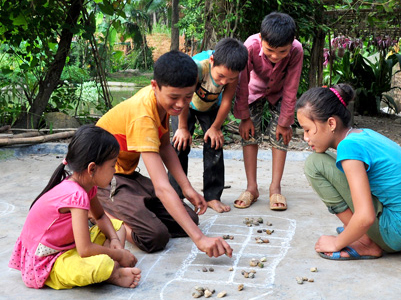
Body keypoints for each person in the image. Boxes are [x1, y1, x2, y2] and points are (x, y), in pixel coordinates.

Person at [96, 51, 233, 257]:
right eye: (174, 97)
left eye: (188, 97)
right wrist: (200, 239)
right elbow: (162, 188)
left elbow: (165, 147)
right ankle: (98, 214)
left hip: (126, 174)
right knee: (153, 237)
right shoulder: (143, 115)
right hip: (103, 179)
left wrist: (187, 189)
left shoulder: (161, 104)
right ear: (154, 86)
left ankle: (129, 204)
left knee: (187, 220)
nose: (180, 104)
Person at [296, 83, 401, 260]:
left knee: (315, 164)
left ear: (331, 123)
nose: (305, 137)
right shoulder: (362, 134)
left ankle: (366, 242)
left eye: (308, 130)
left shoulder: (349, 148)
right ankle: (360, 234)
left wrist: (337, 243)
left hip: (394, 233)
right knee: (323, 163)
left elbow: (365, 217)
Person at [8, 125, 141, 289]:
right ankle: (113, 273)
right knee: (100, 264)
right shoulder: (76, 196)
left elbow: (100, 217)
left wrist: (113, 240)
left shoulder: (87, 186)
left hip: (69, 245)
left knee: (117, 227)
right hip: (49, 260)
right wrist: (118, 254)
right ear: (92, 168)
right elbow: (85, 249)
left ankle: (111, 265)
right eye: (113, 165)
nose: (114, 170)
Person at [168, 38, 248, 213]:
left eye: (230, 79)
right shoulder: (197, 66)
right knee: (179, 145)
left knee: (215, 144)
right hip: (185, 106)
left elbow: (226, 101)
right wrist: (182, 128)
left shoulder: (232, 74)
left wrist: (216, 127)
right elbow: (183, 97)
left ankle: (212, 196)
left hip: (211, 107)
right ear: (212, 61)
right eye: (220, 76)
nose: (223, 82)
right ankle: (175, 195)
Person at [233, 12, 304, 211]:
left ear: (292, 44)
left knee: (280, 134)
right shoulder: (249, 46)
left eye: (283, 52)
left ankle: (275, 188)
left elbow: (291, 86)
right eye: (270, 50)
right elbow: (242, 84)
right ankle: (252, 188)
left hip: (281, 92)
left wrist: (285, 121)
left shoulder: (297, 50)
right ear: (261, 39)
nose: (275, 56)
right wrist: (244, 117)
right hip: (253, 90)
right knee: (249, 133)